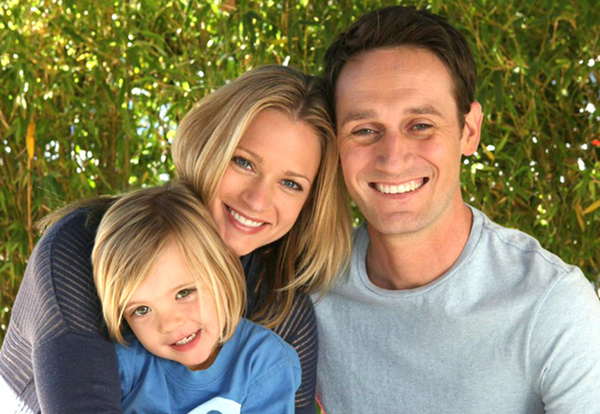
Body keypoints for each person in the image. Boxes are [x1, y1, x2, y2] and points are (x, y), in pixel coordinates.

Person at [0, 65, 351, 414]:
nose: (257, 200)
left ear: (310, 203)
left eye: (290, 184)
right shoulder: (84, 247)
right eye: (243, 162)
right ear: (208, 147)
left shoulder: (282, 311)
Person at [313, 6, 600, 413]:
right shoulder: (309, 287)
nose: (392, 159)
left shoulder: (550, 304)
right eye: (364, 130)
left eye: (420, 125)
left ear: (469, 130)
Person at [92, 182, 300, 413]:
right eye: (141, 310)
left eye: (183, 293)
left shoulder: (263, 361)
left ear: (221, 272)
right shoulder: (125, 364)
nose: (170, 323)